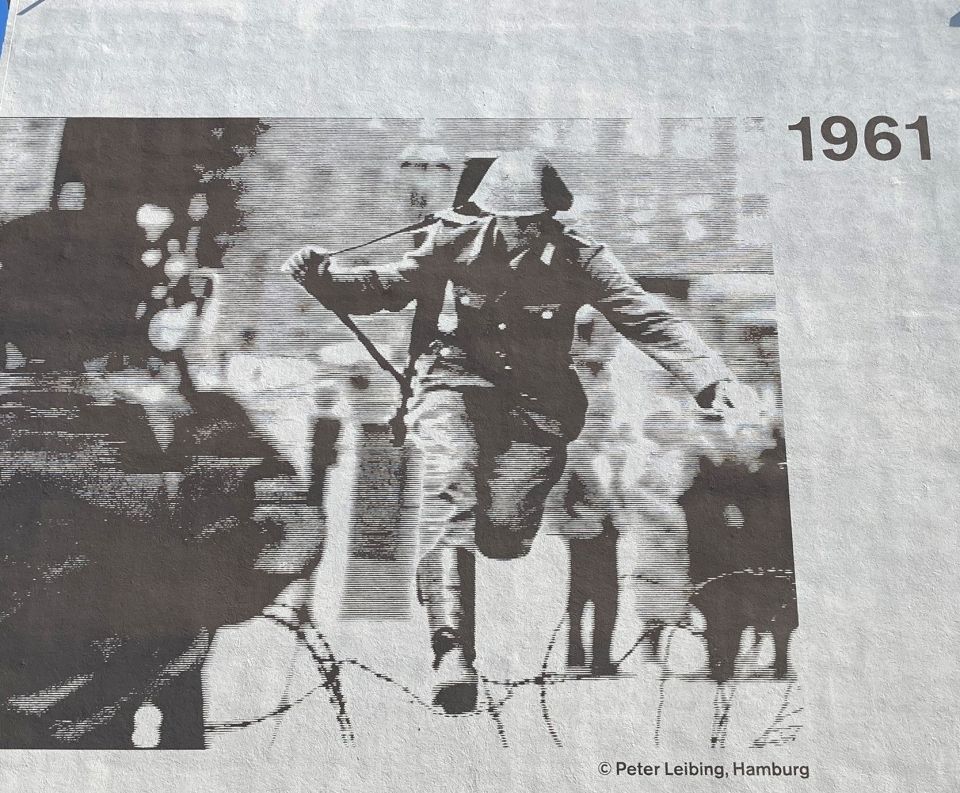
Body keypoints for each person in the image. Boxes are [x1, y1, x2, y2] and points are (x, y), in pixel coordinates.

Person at [286, 151, 759, 713]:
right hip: (453, 387)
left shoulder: (582, 258)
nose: (522, 231)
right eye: (512, 219)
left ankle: (493, 536)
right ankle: (452, 654)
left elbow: (648, 319)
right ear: (490, 213)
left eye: (534, 220)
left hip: (538, 411)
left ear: (551, 215)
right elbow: (388, 288)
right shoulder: (451, 240)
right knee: (449, 487)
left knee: (504, 536)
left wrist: (712, 378)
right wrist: (325, 278)